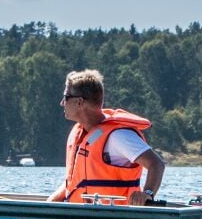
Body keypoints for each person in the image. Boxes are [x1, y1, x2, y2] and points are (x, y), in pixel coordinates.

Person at [47, 69, 165, 206]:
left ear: (79, 102)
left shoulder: (118, 136)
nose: (62, 103)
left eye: (66, 97)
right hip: (82, 218)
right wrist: (48, 206)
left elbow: (156, 164)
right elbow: (75, 183)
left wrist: (147, 194)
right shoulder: (79, 132)